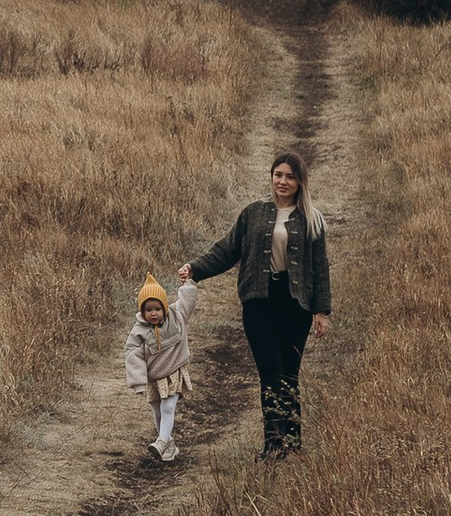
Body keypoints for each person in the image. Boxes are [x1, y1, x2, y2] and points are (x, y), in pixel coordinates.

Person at [185, 149, 332, 459]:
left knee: (290, 375)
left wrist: (321, 310)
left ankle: (293, 445)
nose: (283, 181)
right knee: (271, 372)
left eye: (290, 176)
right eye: (278, 175)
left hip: (296, 305)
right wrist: (196, 269)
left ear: (300, 182)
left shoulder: (312, 219)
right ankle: (273, 445)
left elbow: (320, 268)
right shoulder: (253, 213)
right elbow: (226, 250)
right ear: (271, 177)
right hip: (259, 303)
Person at [124, 268, 198, 461]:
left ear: (164, 306)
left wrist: (187, 283)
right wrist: (139, 381)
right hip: (154, 378)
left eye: (157, 308)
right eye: (148, 310)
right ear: (142, 311)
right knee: (157, 411)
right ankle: (169, 446)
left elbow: (187, 301)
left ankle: (162, 440)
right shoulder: (139, 330)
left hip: (173, 372)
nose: (153, 314)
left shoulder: (176, 315)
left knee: (167, 407)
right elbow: (133, 354)